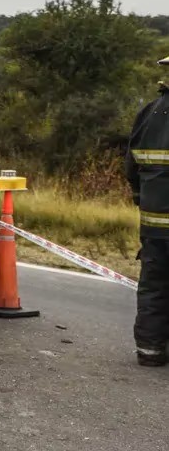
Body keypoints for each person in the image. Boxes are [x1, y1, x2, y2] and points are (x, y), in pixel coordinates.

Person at [125, 57, 169, 367]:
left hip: (154, 222)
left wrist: (142, 197)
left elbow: (131, 164)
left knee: (154, 284)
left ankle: (150, 351)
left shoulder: (150, 112)